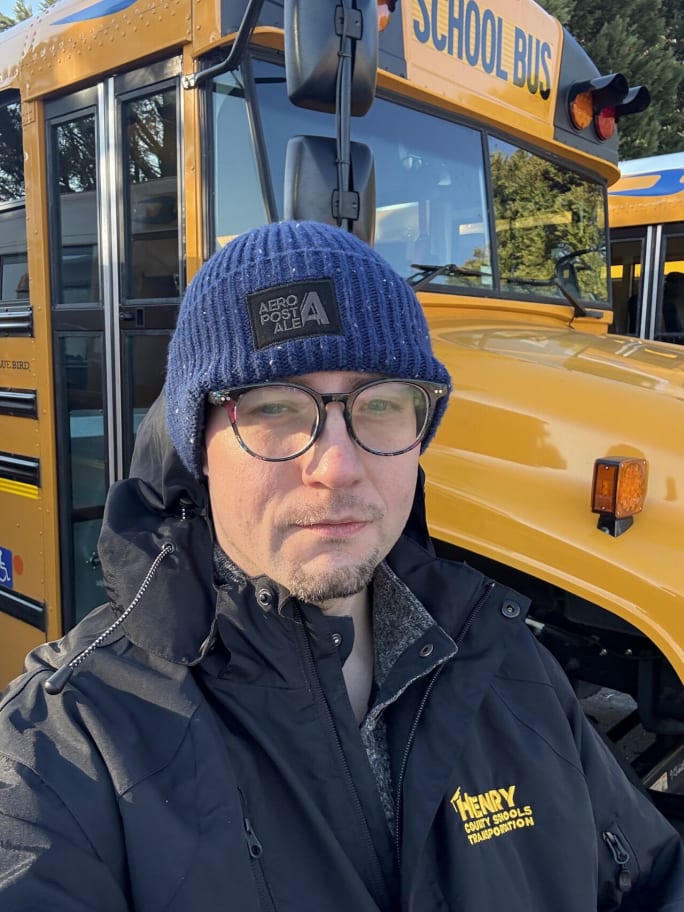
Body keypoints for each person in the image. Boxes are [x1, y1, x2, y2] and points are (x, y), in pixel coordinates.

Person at [0, 220, 682, 911]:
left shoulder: (507, 664)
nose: (336, 467)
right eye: (273, 407)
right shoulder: (67, 749)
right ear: (199, 446)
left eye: (380, 404)